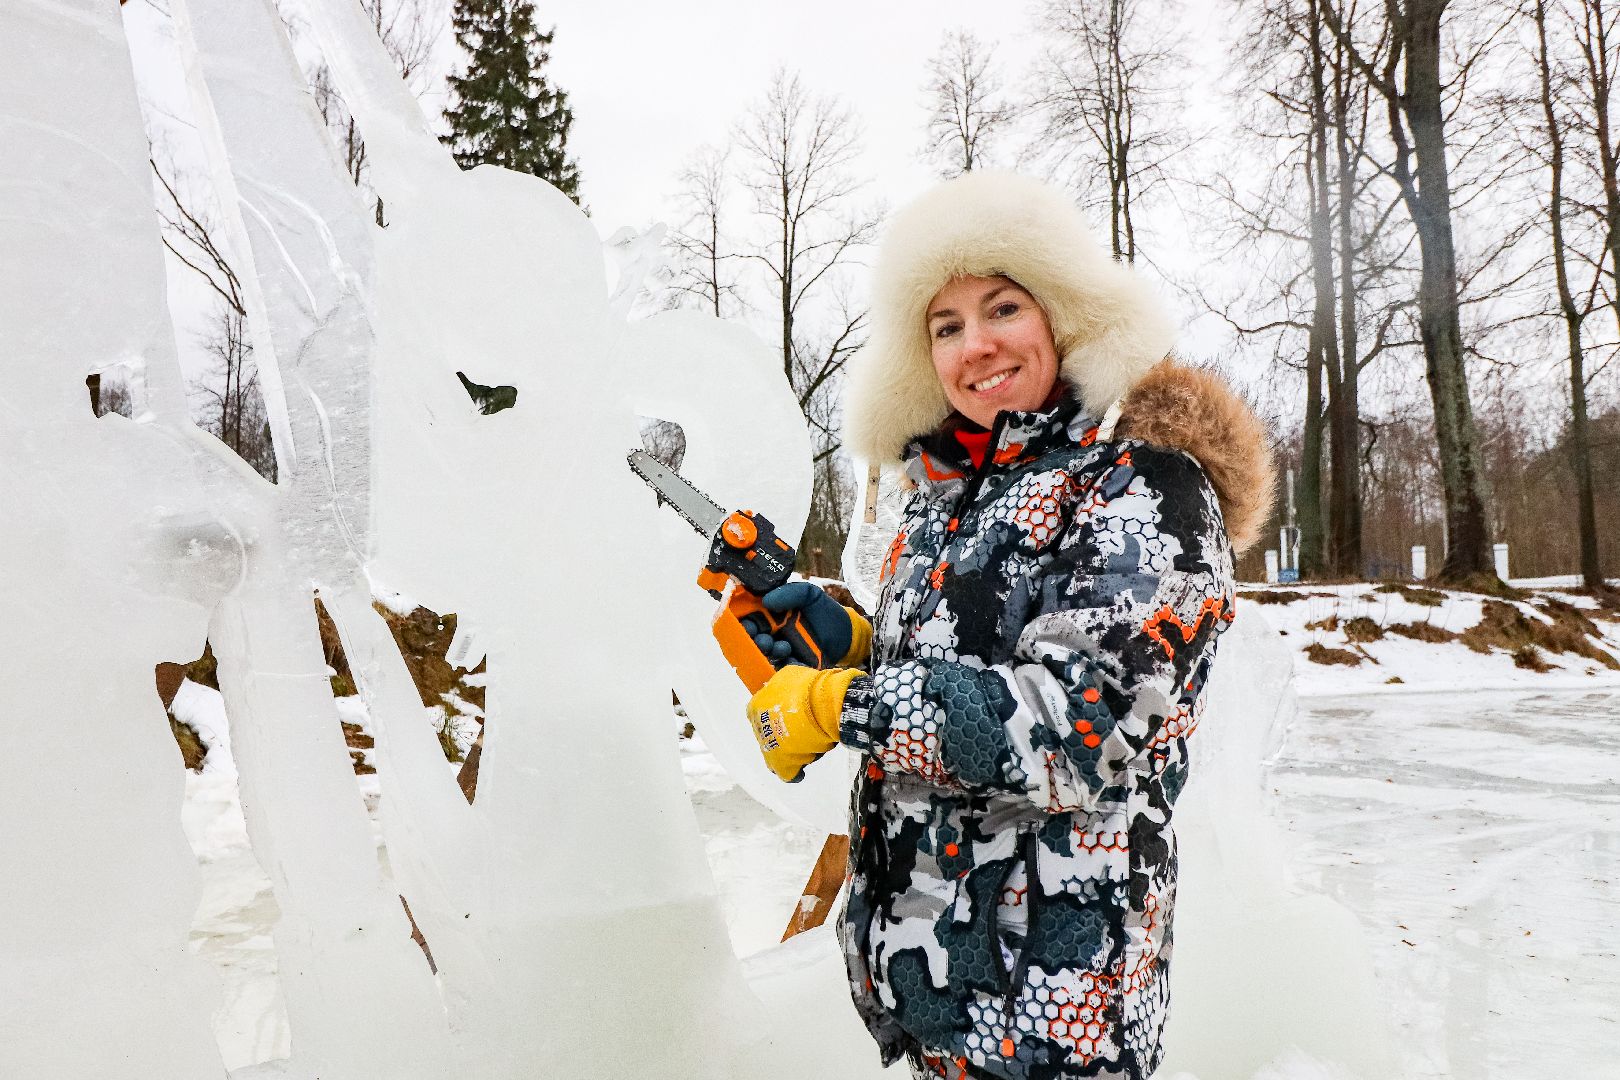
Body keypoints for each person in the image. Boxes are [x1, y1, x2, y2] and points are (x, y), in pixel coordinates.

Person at [743, 171, 1274, 1080]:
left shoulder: (1145, 486)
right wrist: (860, 645)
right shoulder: (943, 502)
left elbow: (1076, 726)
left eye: (1001, 308)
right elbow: (965, 663)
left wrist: (848, 703)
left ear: (1061, 315)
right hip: (940, 988)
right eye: (945, 328)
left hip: (1052, 1012)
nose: (976, 345)